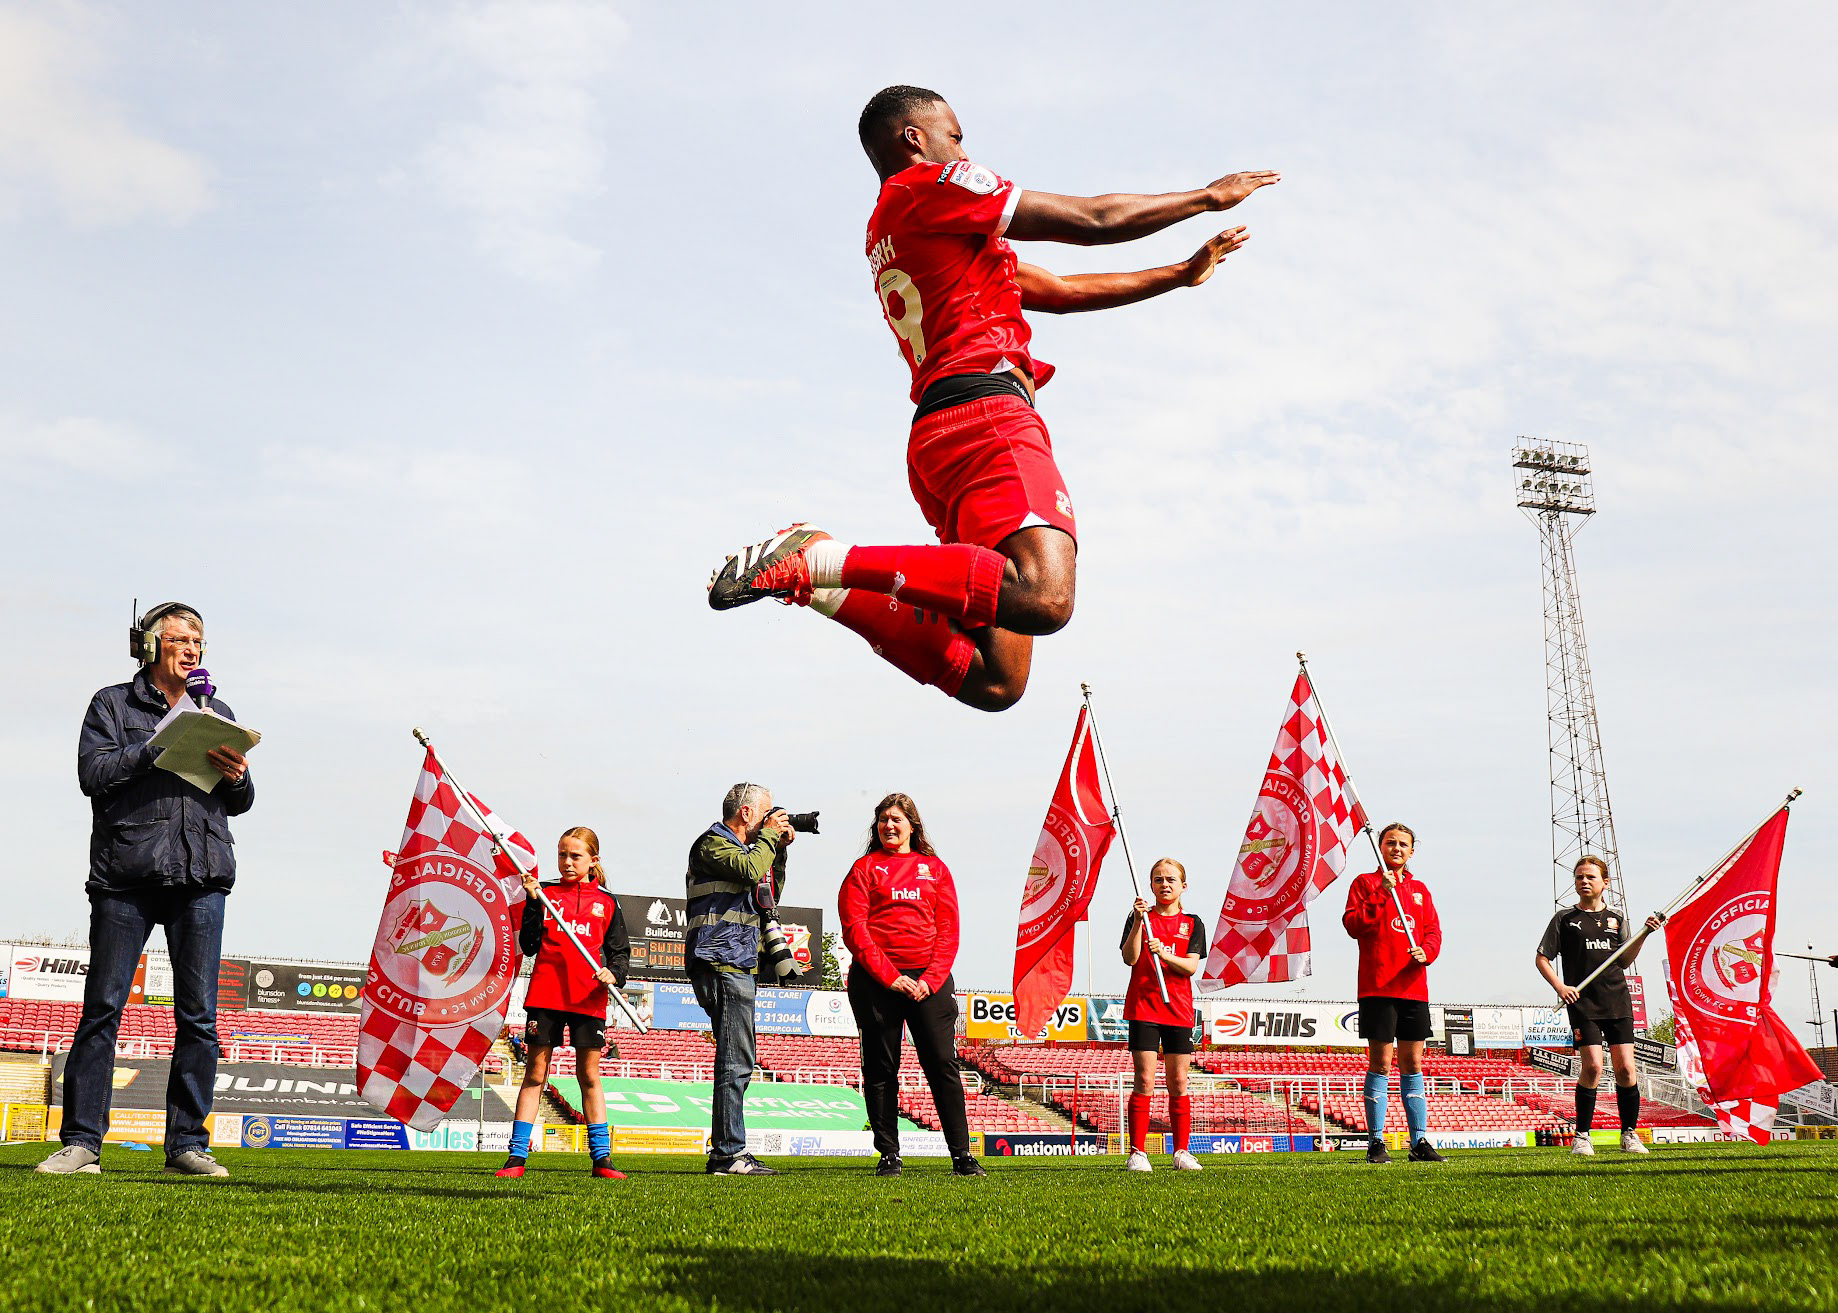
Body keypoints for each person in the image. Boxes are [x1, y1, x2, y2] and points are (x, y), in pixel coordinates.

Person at [707, 85, 1279, 713]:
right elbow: (1090, 221)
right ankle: (820, 559)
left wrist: (1179, 274)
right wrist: (1206, 197)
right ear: (915, 139)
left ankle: (824, 585)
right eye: (955, 136)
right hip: (988, 420)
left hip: (942, 436)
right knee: (1044, 597)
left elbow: (1060, 289)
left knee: (996, 681)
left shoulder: (905, 227)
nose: (963, 150)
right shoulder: (928, 186)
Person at [39, 603, 253, 1177]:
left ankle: (188, 1145)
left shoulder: (218, 712)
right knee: (103, 1010)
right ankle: (82, 1143)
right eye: (180, 640)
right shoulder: (112, 704)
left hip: (202, 877)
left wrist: (239, 776)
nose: (191, 650)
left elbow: (240, 801)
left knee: (199, 1018)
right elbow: (93, 775)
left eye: (198, 642)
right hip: (126, 876)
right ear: (149, 645)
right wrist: (157, 747)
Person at [838, 793, 985, 1179]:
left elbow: (948, 930)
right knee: (881, 1068)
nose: (889, 825)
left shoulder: (935, 869)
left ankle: (962, 1156)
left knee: (942, 1064)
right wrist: (890, 976)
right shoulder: (864, 869)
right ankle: (889, 1154)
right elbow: (855, 928)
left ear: (912, 826)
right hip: (876, 982)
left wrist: (929, 980)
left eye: (896, 819)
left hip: (928, 982)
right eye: (883, 819)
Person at [496, 827, 631, 1180]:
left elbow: (620, 953)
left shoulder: (607, 902)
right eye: (562, 855)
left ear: (593, 860)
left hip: (589, 998)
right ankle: (516, 1157)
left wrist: (614, 973)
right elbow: (529, 945)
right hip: (546, 994)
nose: (567, 862)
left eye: (575, 856)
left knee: (589, 1075)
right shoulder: (545, 893)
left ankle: (602, 1159)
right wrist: (532, 903)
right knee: (535, 1074)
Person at [686, 782, 794, 1176]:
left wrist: (779, 850)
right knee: (735, 1059)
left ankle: (727, 1151)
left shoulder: (752, 849)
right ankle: (729, 1154)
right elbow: (749, 869)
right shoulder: (712, 843)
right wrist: (769, 838)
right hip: (721, 958)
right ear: (746, 813)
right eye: (765, 814)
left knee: (738, 1058)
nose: (770, 821)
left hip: (739, 959)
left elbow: (768, 894)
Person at [1535, 855, 1665, 1157]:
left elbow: (1625, 959)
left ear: (1605, 883)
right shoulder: (1564, 919)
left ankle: (1629, 1134)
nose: (1584, 881)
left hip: (1617, 1000)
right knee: (1593, 1066)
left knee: (1626, 1069)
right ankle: (1582, 1136)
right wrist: (1560, 987)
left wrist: (1644, 934)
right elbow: (1542, 958)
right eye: (1579, 876)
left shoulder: (1616, 918)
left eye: (1590, 877)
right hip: (1583, 1003)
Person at [1341, 822, 1444, 1166]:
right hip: (1377, 986)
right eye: (1390, 842)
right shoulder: (1365, 883)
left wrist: (1427, 952)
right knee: (1381, 1063)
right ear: (1380, 847)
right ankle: (1376, 1142)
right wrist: (1382, 893)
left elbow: (1433, 931)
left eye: (1403, 844)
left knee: (1413, 1063)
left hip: (1413, 988)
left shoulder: (1420, 890)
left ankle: (1419, 1141)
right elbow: (1353, 925)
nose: (1396, 848)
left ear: (1412, 851)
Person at [1120, 858, 1208, 1173]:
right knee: (1144, 1079)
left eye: (1171, 879)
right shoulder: (1139, 917)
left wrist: (1164, 954)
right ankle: (1137, 1153)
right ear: (1151, 885)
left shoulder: (1193, 923)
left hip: (1178, 1008)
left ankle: (1181, 1151)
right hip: (1144, 1006)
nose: (1165, 884)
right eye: (1158, 879)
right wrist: (1139, 923)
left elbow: (1191, 967)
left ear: (1183, 885)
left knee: (1178, 1081)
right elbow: (1130, 958)